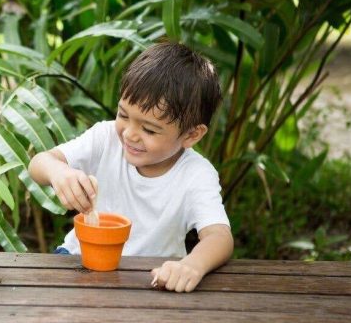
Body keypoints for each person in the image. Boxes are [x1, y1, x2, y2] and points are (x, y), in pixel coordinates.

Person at [28, 42, 233, 292]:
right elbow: (39, 163)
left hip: (150, 277)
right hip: (77, 260)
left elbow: (219, 237)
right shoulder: (105, 139)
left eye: (149, 129)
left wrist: (192, 265)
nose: (130, 135)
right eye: (123, 115)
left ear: (191, 135)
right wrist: (59, 172)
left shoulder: (196, 175)